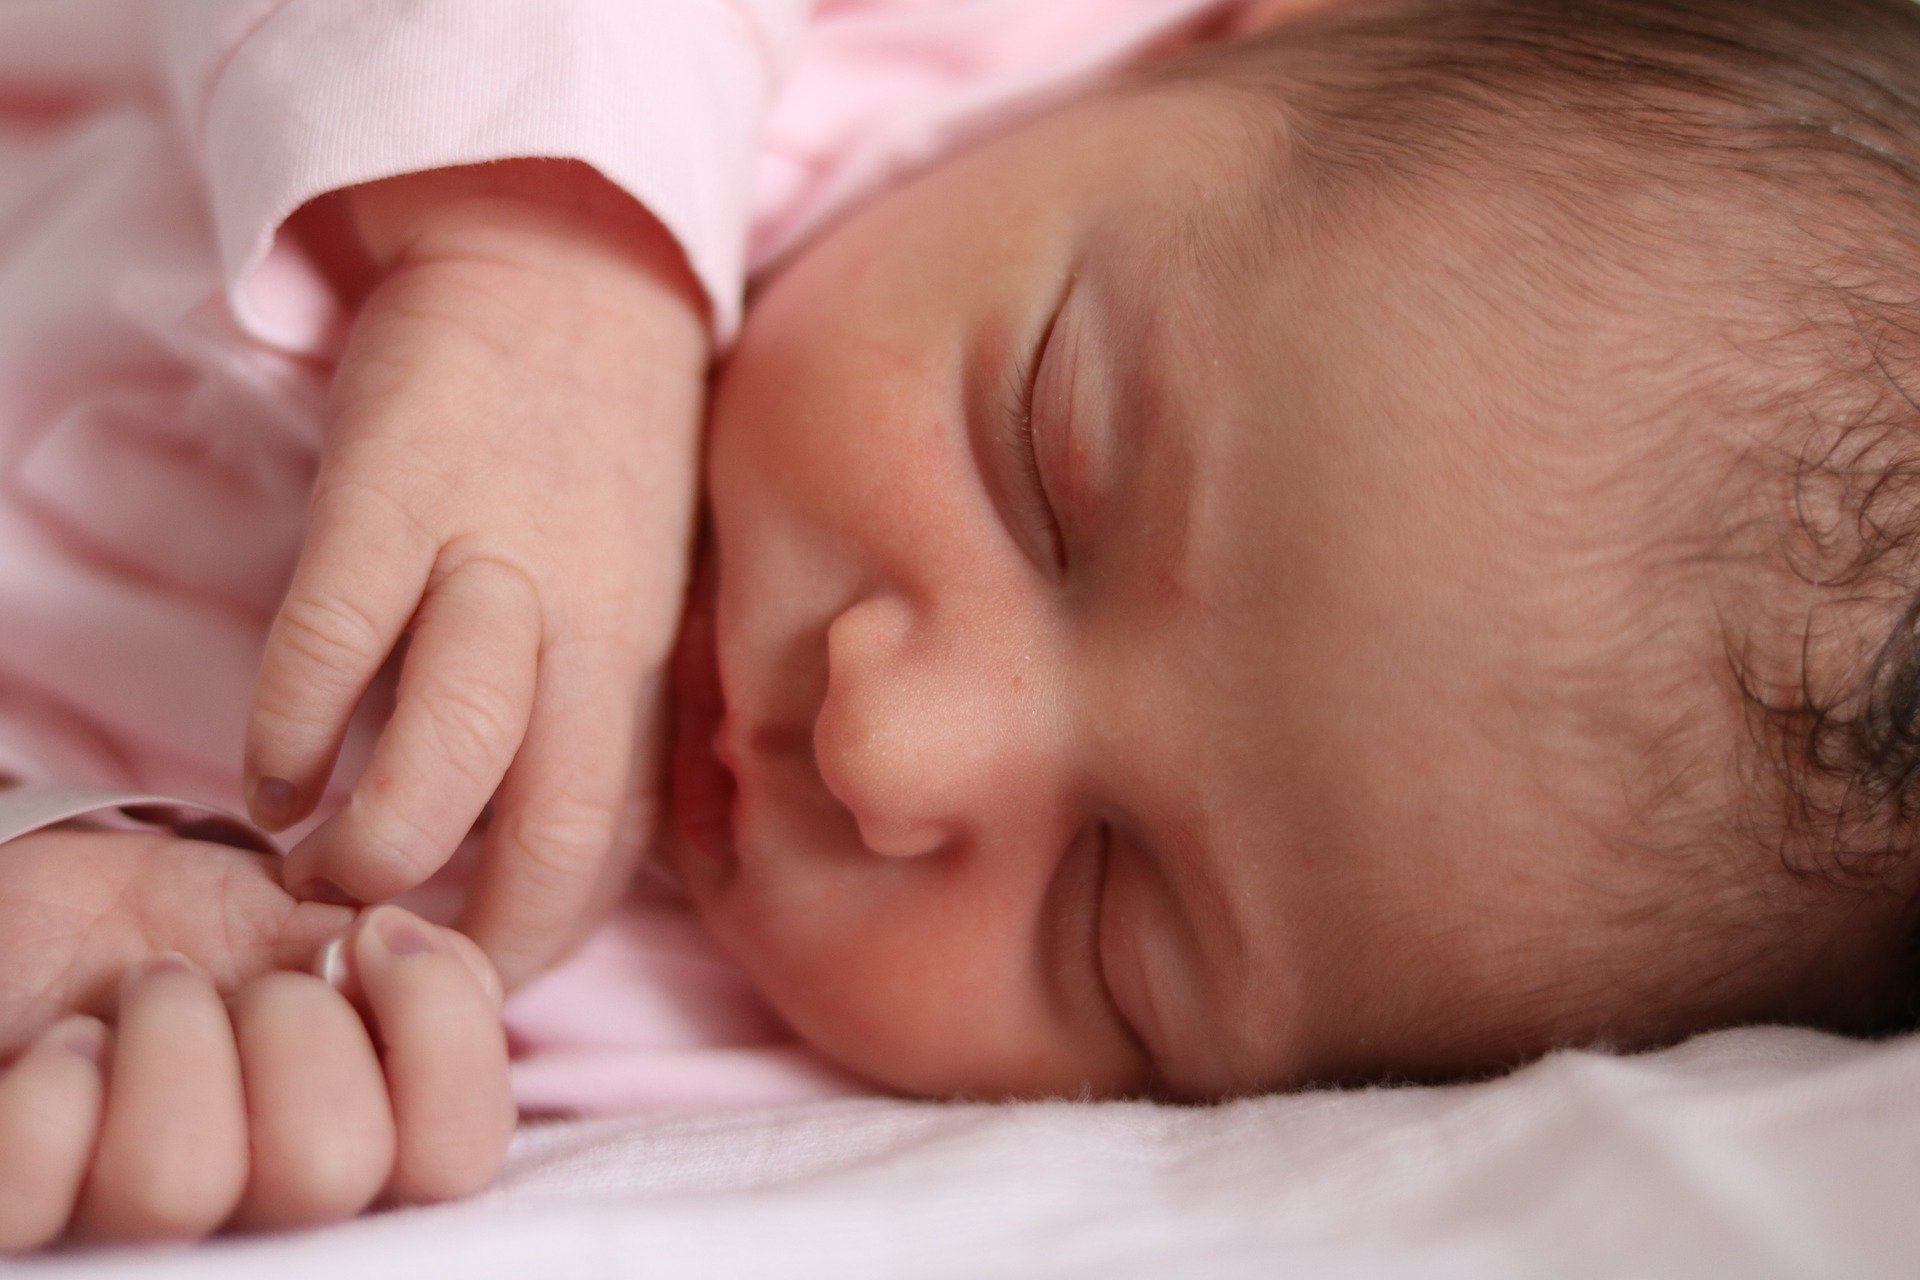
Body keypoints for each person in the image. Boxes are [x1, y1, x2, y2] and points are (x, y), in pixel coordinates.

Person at [6, 0, 1920, 1251]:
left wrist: (125, 951)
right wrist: (545, 266)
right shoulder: (896, 52)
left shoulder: (683, 1061)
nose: (888, 746)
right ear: (1220, 47)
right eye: (1049, 468)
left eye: (1114, 925)